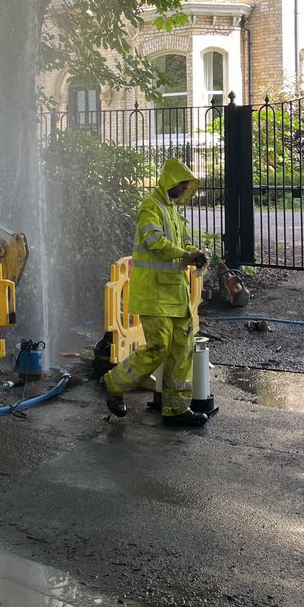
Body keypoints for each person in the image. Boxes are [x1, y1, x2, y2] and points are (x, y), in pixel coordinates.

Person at [102, 156, 209, 429]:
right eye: (182, 184)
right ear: (169, 182)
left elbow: (182, 244)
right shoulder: (150, 207)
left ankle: (176, 409)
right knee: (158, 347)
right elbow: (155, 242)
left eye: (186, 185)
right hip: (153, 295)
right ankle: (114, 384)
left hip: (175, 295)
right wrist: (185, 254)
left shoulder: (172, 212)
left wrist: (195, 254)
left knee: (181, 350)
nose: (184, 189)